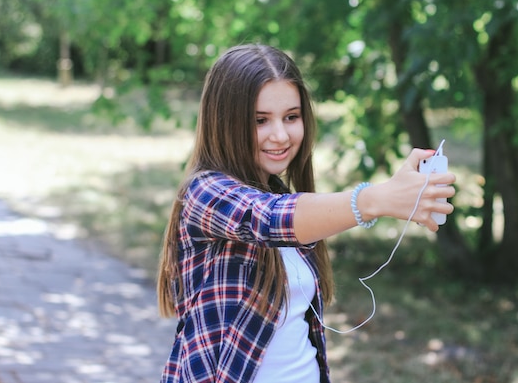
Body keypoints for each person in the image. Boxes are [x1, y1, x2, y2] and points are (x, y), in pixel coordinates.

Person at [156, 44, 456, 383]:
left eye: (291, 117)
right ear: (224, 123)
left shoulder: (283, 196)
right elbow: (267, 218)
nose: (281, 135)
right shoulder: (203, 193)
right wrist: (376, 199)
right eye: (260, 120)